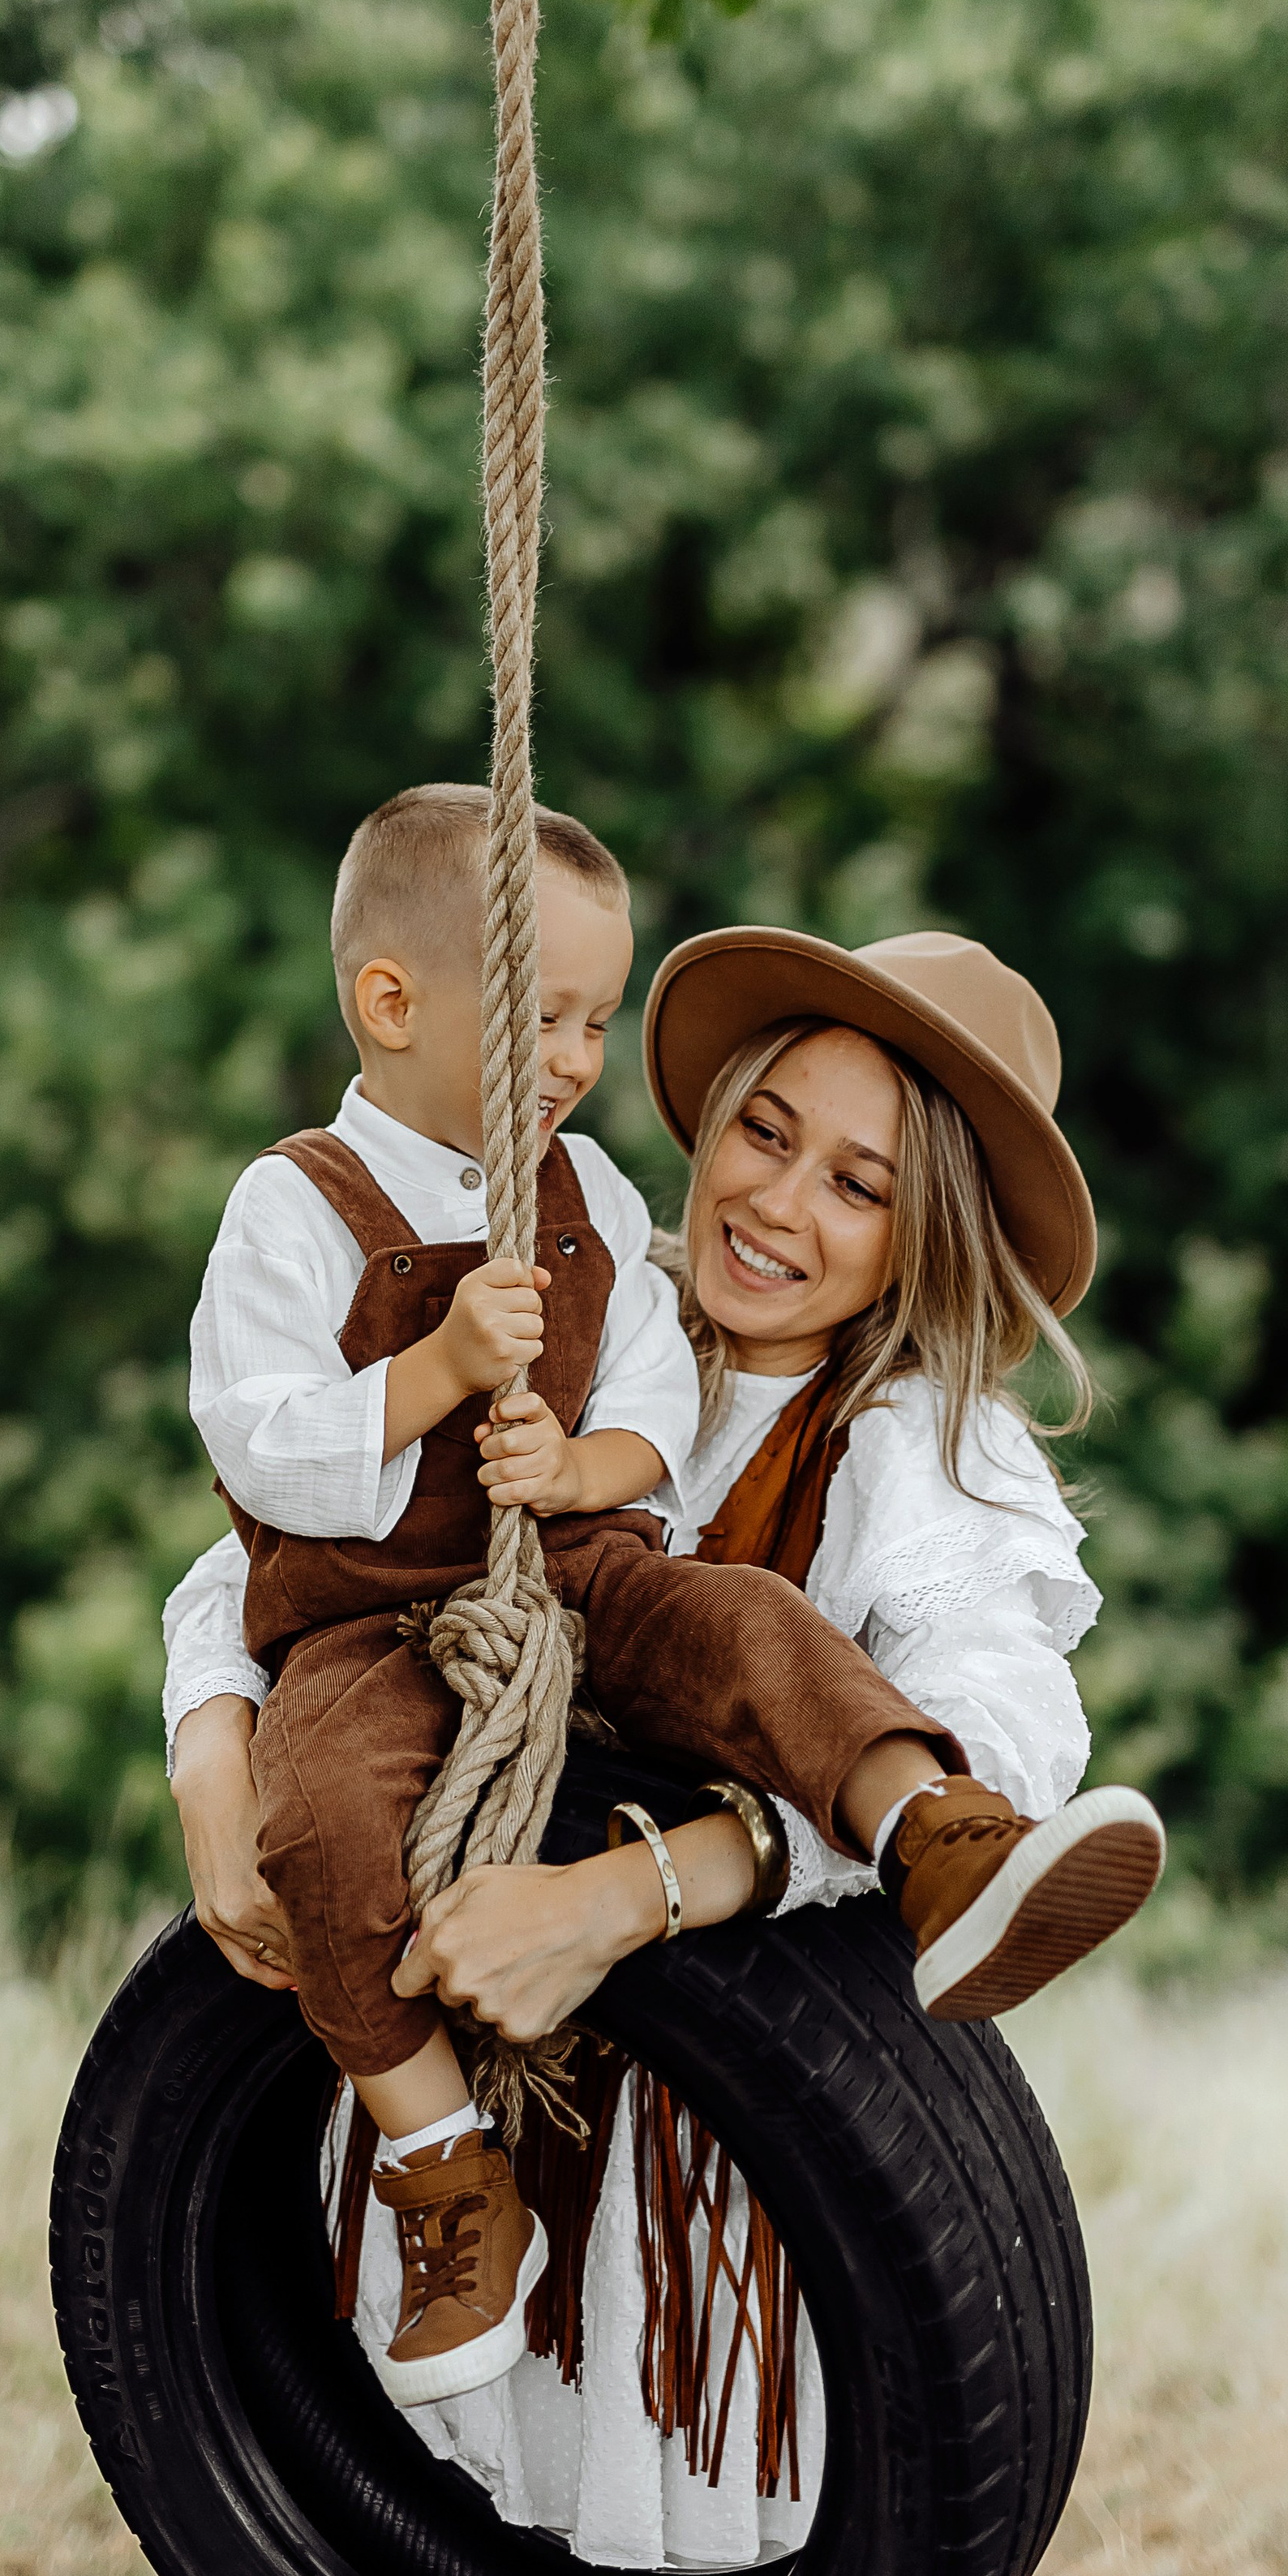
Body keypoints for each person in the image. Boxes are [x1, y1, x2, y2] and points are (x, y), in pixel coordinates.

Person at [172, 790, 1163, 2436]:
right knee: (436, 2548)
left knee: (667, 2533)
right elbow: (271, 1550)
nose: (775, 1205)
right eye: (764, 1133)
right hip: (466, 2044)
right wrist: (219, 1755)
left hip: (714, 2133)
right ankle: (435, 2202)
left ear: (926, 1239)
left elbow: (1007, 1728)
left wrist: (621, 1896)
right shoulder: (588, 1287)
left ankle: (938, 1847)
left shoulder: (918, 1451)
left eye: (857, 1186)